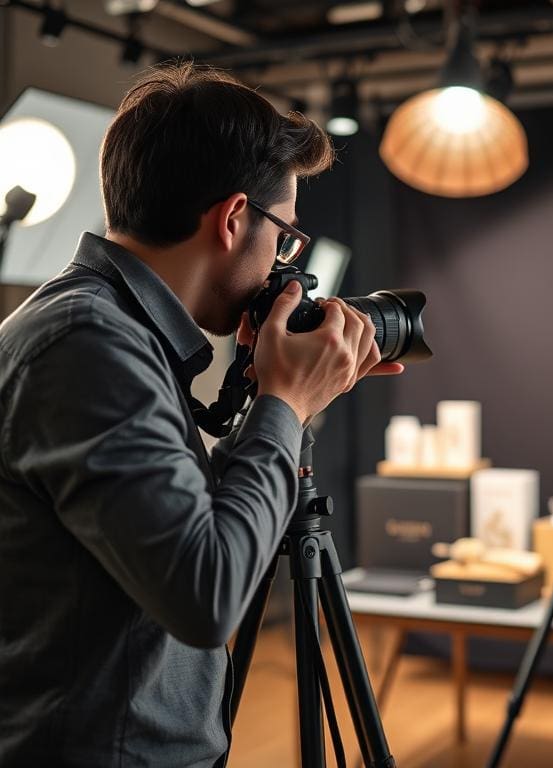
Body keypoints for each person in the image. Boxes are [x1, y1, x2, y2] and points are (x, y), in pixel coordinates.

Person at [0, 62, 402, 767]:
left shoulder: (109, 331)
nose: (285, 260)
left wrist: (269, 399)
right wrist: (285, 403)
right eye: (286, 236)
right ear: (235, 218)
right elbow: (206, 594)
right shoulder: (90, 345)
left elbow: (169, 527)